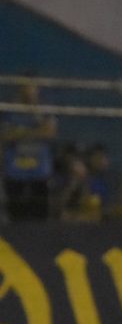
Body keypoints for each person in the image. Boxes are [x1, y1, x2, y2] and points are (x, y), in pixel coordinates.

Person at [1, 81, 57, 222]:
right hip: (15, 169)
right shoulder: (9, 109)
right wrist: (36, 131)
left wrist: (22, 132)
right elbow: (5, 134)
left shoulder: (44, 110)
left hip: (39, 169)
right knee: (16, 213)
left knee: (40, 212)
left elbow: (49, 132)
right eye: (25, 86)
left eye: (32, 87)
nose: (29, 90)